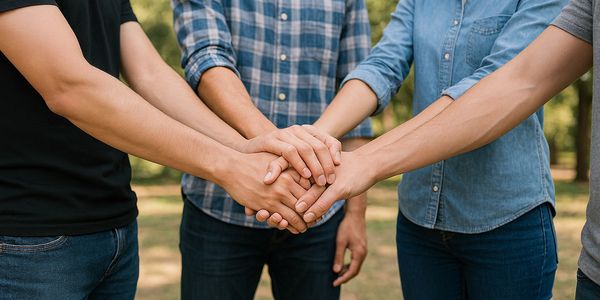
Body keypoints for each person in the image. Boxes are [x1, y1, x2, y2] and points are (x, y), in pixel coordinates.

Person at [0, 1, 334, 298]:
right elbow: (69, 86)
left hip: (114, 227)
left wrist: (245, 148)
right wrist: (228, 166)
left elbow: (150, 74)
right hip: (27, 239)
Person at [256, 0, 568, 299]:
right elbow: (383, 65)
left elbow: (492, 86)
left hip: (507, 222)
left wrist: (367, 161)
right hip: (420, 224)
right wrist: (311, 142)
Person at [171, 0, 372, 298]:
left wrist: (356, 214)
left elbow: (356, 90)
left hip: (317, 211)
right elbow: (207, 59)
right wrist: (285, 146)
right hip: (218, 208)